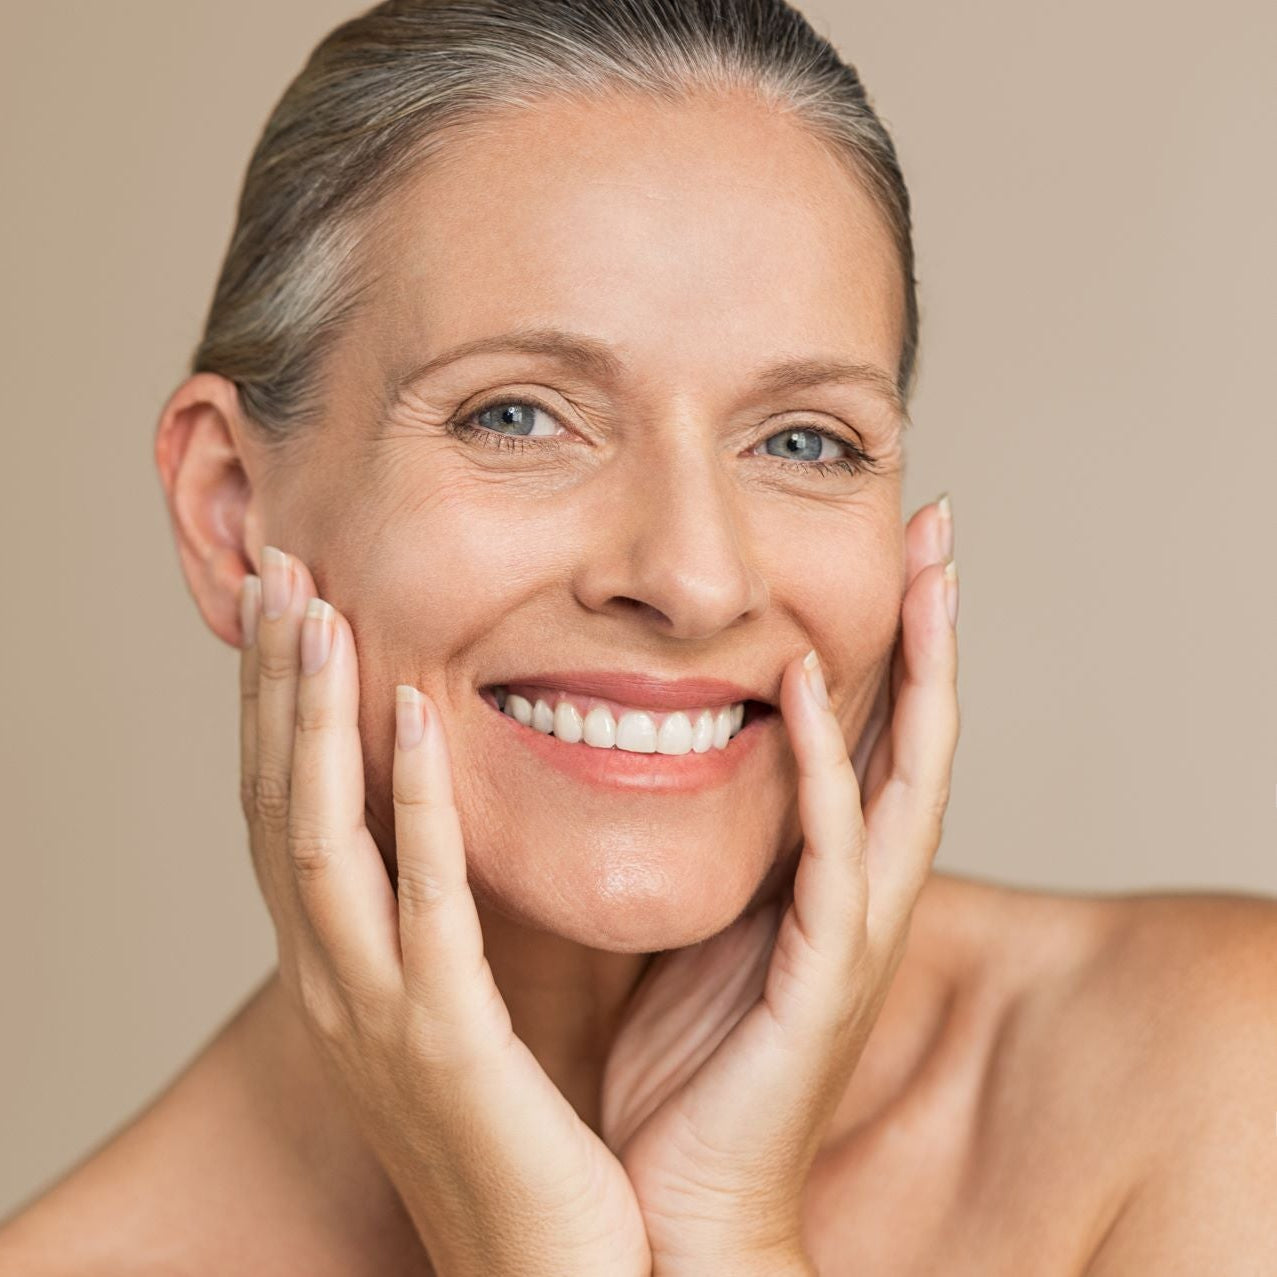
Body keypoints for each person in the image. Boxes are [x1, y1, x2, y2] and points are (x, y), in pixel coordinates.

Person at [3, 1, 1274, 1273]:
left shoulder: (1211, 1086)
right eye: (516, 416)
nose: (692, 576)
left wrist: (729, 1227)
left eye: (801, 439)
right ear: (231, 511)